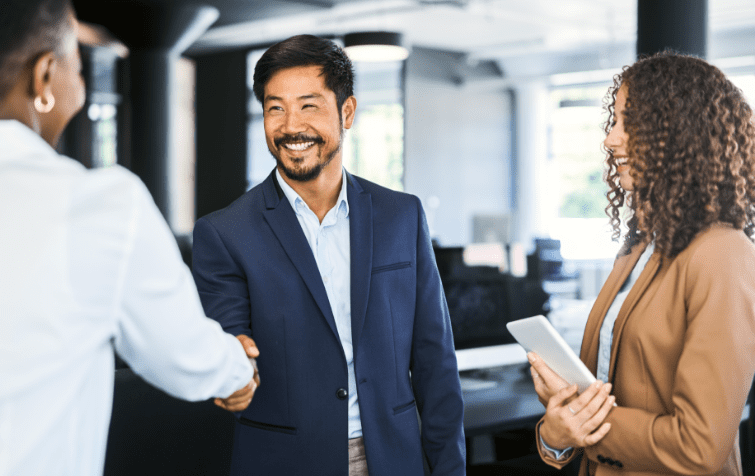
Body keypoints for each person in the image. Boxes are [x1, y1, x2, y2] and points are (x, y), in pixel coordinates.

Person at [0, 1, 259, 475]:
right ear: (43, 78)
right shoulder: (96, 204)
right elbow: (185, 357)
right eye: (78, 68)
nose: (79, 87)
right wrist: (237, 368)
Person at [191, 34, 466, 476]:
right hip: (284, 464)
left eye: (309, 105)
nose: (290, 126)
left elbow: (435, 363)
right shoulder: (223, 234)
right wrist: (231, 369)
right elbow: (229, 348)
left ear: (347, 112)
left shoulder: (402, 217)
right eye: (275, 107)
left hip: (394, 459)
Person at [528, 51, 755, 475]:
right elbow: (602, 390)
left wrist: (584, 418)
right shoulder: (640, 247)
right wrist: (556, 435)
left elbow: (699, 446)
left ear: (680, 132)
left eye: (627, 122)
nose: (610, 139)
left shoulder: (724, 253)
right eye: (613, 121)